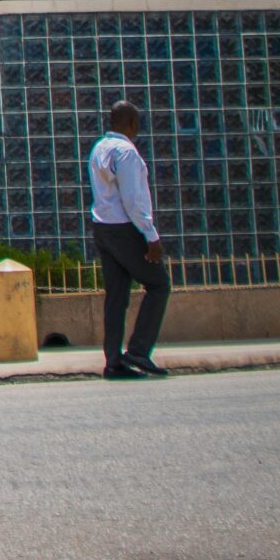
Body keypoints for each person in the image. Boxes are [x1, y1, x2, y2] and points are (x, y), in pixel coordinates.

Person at [88, 99, 171, 380]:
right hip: (125, 228)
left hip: (102, 227)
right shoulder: (127, 152)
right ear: (132, 123)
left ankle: (113, 362)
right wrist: (151, 236)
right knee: (159, 284)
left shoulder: (100, 148)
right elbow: (133, 200)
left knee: (117, 296)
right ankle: (138, 350)